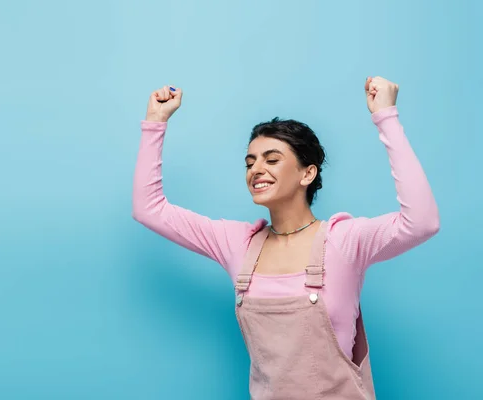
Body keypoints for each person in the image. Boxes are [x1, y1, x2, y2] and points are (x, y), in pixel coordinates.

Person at [131, 77, 440, 399]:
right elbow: (148, 209)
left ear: (308, 173)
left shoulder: (344, 240)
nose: (256, 169)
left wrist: (386, 116)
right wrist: (155, 122)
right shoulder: (238, 243)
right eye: (250, 162)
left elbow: (422, 222)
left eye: (272, 159)